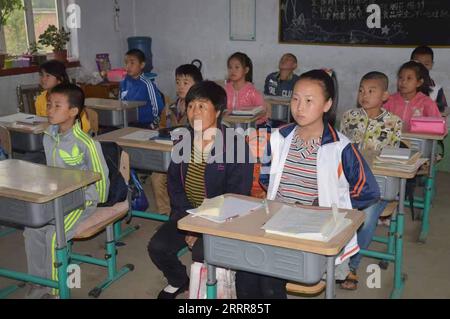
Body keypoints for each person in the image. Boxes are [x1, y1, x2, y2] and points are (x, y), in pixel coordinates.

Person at [235, 70, 380, 299]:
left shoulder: (340, 147)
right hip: (276, 220)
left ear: (327, 104)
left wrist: (333, 205)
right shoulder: (279, 137)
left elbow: (368, 190)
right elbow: (266, 176)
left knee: (270, 283)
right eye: (295, 99)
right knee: (244, 277)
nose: (300, 107)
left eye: (309, 101)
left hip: (313, 227)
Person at [147, 81, 254, 299]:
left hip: (223, 221)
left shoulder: (236, 146)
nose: (194, 112)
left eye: (202, 106)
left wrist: (200, 229)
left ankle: (208, 290)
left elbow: (235, 197)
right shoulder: (184, 142)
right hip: (188, 214)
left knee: (201, 253)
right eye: (190, 106)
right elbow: (174, 187)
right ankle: (179, 280)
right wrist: (189, 225)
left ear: (218, 111)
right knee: (157, 247)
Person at [23, 83, 109, 298]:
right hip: (56, 198)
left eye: (56, 106)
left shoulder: (86, 143)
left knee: (54, 235)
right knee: (32, 230)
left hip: (81, 200)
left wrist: (93, 202)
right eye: (49, 105)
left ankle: (54, 290)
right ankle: (38, 283)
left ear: (73, 111)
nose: (49, 110)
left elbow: (101, 177)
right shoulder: (48, 136)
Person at [340, 71, 402, 289]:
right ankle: (333, 259)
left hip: (377, 185)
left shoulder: (393, 122)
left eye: (371, 91)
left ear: (385, 95)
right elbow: (340, 150)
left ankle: (352, 266)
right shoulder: (349, 116)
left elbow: (392, 158)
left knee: (364, 219)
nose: (364, 95)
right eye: (361, 90)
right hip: (348, 182)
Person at [151, 63, 203, 215]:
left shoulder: (201, 109)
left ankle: (188, 214)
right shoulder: (171, 107)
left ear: (197, 85)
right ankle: (166, 215)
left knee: (184, 181)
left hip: (192, 158)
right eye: (178, 82)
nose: (180, 86)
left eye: (186, 83)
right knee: (157, 177)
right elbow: (161, 127)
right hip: (170, 155)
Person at [35, 60, 91, 133]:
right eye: (41, 75)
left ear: (59, 79)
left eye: (48, 75)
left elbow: (84, 127)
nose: (43, 79)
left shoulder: (69, 98)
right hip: (52, 135)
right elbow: (40, 121)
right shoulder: (40, 99)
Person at [384, 61, 440, 131]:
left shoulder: (427, 103)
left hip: (418, 141)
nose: (403, 82)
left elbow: (439, 127)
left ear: (419, 83)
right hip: (393, 140)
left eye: (409, 78)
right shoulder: (389, 101)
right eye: (400, 78)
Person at [120, 48, 164, 128]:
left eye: (132, 63)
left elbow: (158, 107)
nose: (128, 66)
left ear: (142, 65)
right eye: (126, 63)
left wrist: (154, 123)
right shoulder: (123, 82)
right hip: (128, 123)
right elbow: (121, 103)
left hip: (146, 123)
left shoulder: (147, 84)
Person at [224, 52, 266, 125]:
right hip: (227, 128)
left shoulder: (253, 92)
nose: (232, 71)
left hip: (248, 129)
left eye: (237, 67)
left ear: (246, 70)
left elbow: (263, 113)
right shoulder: (224, 90)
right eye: (230, 67)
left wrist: (251, 123)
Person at [411, 45, 447, 112]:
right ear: (410, 63)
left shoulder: (437, 89)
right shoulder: (405, 85)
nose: (422, 67)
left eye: (426, 64)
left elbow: (443, 111)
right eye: (418, 63)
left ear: (431, 65)